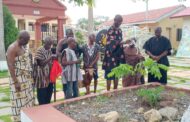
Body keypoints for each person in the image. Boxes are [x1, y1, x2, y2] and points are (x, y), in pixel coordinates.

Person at [6, 30, 34, 122]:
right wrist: (16, 82)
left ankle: (26, 118)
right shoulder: (12, 48)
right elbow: (10, 65)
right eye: (26, 40)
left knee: (27, 101)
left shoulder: (23, 46)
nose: (27, 42)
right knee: (19, 102)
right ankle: (19, 119)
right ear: (20, 38)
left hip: (26, 80)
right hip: (18, 80)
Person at [56, 29, 82, 97]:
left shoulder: (74, 43)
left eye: (72, 35)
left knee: (75, 85)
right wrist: (67, 55)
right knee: (67, 85)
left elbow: (79, 51)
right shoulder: (62, 42)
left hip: (74, 67)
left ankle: (75, 97)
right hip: (67, 68)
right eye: (70, 35)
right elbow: (58, 53)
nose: (71, 36)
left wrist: (75, 57)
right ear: (66, 35)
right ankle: (67, 97)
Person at [102, 15, 125, 91]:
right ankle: (108, 91)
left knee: (117, 73)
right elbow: (111, 42)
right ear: (114, 20)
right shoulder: (110, 30)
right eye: (118, 21)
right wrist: (123, 42)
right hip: (110, 55)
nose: (119, 23)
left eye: (120, 22)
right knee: (109, 74)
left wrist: (125, 44)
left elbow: (120, 42)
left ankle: (115, 90)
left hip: (118, 55)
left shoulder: (120, 30)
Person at [33, 37, 55, 105]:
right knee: (42, 98)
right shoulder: (40, 50)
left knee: (48, 96)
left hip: (49, 77)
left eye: (50, 44)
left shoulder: (49, 50)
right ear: (44, 43)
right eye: (48, 44)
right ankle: (42, 111)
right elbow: (41, 63)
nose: (50, 46)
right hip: (41, 78)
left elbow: (50, 62)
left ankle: (47, 110)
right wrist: (51, 57)